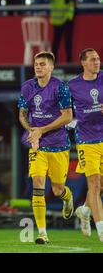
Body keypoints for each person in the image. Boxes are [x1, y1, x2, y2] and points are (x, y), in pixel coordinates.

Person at [17, 51, 74, 244]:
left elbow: (68, 116)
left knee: (57, 190)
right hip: (38, 146)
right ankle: (42, 233)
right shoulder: (27, 87)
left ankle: (68, 198)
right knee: (38, 184)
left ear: (51, 67)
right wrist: (32, 131)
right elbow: (22, 115)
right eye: (36, 64)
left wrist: (43, 129)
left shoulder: (60, 87)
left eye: (42, 64)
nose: (38, 67)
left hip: (58, 145)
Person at [68, 48, 103, 242]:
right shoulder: (73, 85)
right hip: (86, 140)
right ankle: (101, 231)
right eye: (92, 59)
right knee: (94, 184)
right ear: (83, 63)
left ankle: (85, 210)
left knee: (100, 186)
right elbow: (62, 109)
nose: (96, 62)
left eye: (98, 59)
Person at [50, 0, 75, 64]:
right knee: (66, 41)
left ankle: (54, 62)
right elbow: (72, 3)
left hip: (57, 19)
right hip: (66, 18)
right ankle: (68, 62)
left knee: (56, 42)